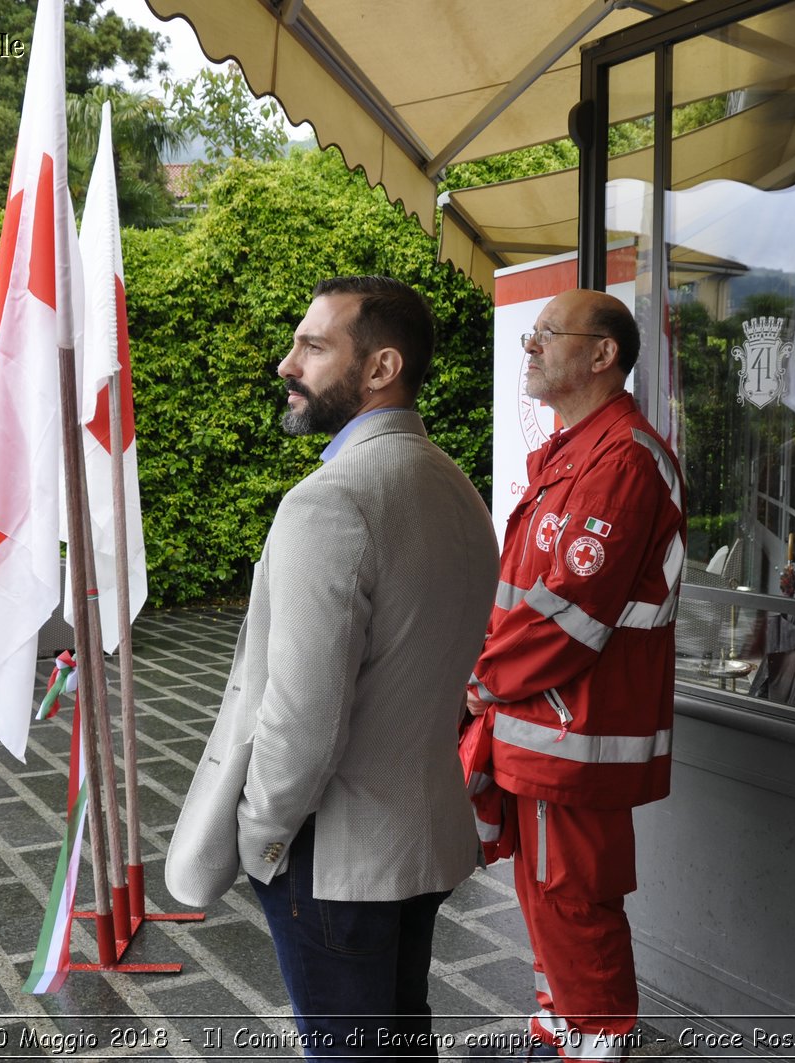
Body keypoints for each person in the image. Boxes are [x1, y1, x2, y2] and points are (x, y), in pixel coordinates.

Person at [166, 275, 499, 1059]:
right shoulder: (457, 488)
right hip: (421, 837)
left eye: (313, 346)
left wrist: (261, 841)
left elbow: (303, 717)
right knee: (401, 1041)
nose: (288, 363)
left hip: (333, 855)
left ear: (381, 367)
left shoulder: (329, 501)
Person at [465, 288, 686, 1063]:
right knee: (544, 893)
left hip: (575, 727)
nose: (531, 346)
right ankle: (555, 1030)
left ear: (603, 355)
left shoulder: (622, 459)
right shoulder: (575, 450)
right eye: (532, 333)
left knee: (575, 895)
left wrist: (480, 679)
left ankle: (595, 1047)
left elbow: (568, 616)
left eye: (548, 334)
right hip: (543, 722)